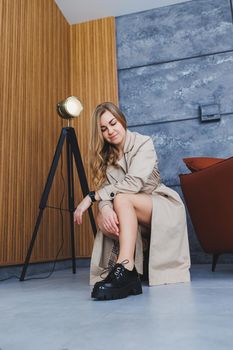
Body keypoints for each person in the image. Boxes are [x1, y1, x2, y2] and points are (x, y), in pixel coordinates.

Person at [74, 102, 191, 300]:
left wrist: (92, 197)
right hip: (128, 208)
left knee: (121, 199)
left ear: (122, 120)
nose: (110, 131)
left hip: (159, 204)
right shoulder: (105, 157)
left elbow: (133, 183)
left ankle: (126, 269)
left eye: (113, 123)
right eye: (104, 129)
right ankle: (127, 270)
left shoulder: (143, 143)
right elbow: (106, 192)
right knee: (105, 214)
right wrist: (103, 209)